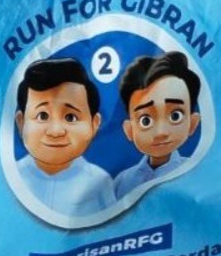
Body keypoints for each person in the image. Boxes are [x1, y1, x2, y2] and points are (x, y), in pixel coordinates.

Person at [15, 57, 115, 216]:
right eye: (42, 116)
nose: (55, 131)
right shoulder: (12, 177)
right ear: (21, 122)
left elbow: (113, 225)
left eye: (70, 117)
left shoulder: (99, 181)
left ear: (94, 124)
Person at [114, 51, 201, 199]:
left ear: (193, 123)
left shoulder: (196, 174)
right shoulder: (123, 181)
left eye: (175, 116)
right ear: (129, 129)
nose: (161, 132)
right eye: (145, 120)